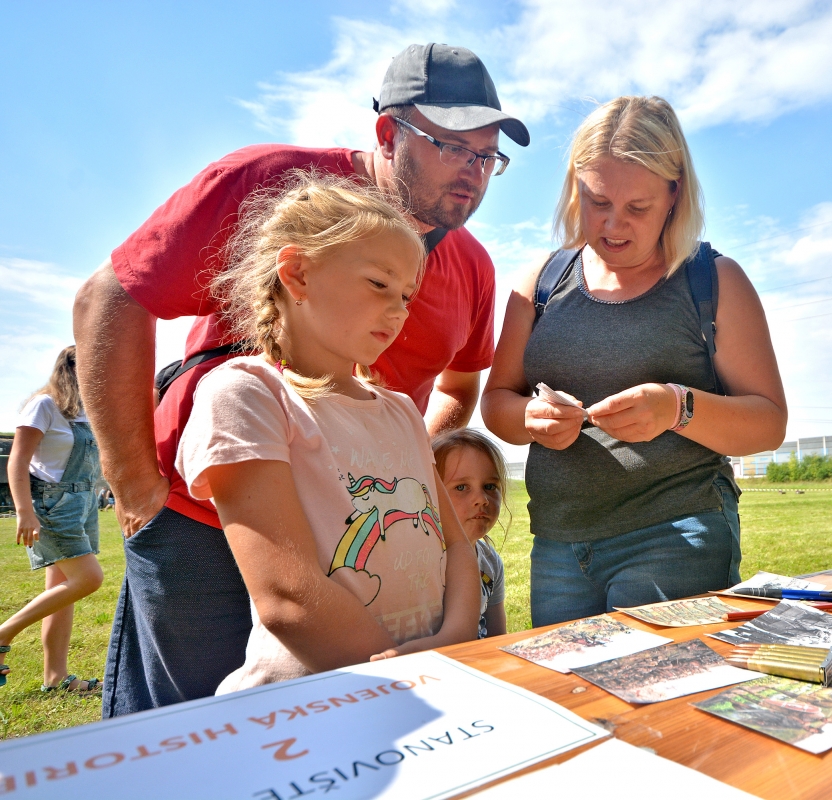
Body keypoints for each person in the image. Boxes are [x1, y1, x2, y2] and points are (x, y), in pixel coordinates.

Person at [72, 44, 527, 716]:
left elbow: (460, 388)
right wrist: (135, 480)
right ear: (386, 132)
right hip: (208, 525)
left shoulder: (474, 267)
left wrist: (405, 472)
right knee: (190, 737)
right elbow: (110, 298)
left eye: (487, 156)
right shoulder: (273, 182)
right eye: (451, 145)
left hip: (372, 541)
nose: (473, 171)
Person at [482, 96, 787, 626]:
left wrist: (677, 407)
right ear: (574, 186)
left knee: (657, 698)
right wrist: (529, 419)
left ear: (675, 194)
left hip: (675, 536)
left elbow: (768, 423)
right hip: (558, 545)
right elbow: (497, 401)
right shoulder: (541, 282)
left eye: (637, 208)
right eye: (596, 201)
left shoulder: (714, 281)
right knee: (572, 700)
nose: (612, 225)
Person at [176, 171, 478, 692]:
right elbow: (288, 596)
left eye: (407, 294)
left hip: (430, 684)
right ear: (296, 274)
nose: (399, 309)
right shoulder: (247, 397)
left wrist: (453, 640)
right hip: (316, 705)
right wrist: (407, 676)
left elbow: (456, 546)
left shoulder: (404, 411)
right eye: (379, 284)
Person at [1, 346, 105, 693]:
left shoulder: (85, 411)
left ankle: (56, 678)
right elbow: (17, 460)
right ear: (74, 369)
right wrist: (24, 511)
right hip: (51, 504)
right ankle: (3, 633)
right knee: (89, 578)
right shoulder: (44, 405)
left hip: (83, 503)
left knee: (61, 592)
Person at [431, 428, 509, 638]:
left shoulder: (491, 562)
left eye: (490, 486)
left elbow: (497, 638)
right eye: (462, 487)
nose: (482, 499)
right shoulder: (422, 561)